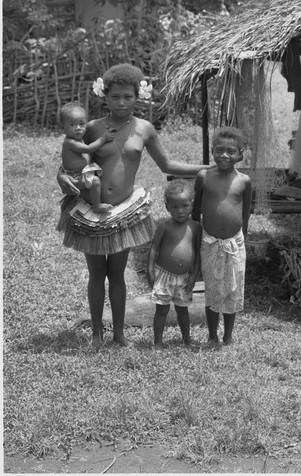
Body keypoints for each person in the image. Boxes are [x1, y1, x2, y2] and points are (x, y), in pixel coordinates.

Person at [57, 63, 214, 350]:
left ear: (137, 96)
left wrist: (209, 167)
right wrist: (61, 176)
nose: (121, 102)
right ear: (104, 96)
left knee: (116, 273)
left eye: (128, 97)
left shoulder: (144, 129)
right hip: (91, 210)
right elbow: (69, 160)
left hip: (122, 213)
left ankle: (118, 334)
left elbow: (167, 164)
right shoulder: (93, 128)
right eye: (115, 96)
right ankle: (96, 334)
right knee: (96, 274)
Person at [192, 126, 252, 345]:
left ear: (240, 155)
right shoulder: (204, 176)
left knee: (232, 290)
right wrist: (193, 238)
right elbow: (195, 210)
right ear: (212, 151)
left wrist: (242, 236)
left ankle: (228, 335)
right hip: (209, 241)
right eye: (219, 150)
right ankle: (211, 335)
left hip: (235, 243)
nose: (224, 155)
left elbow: (245, 212)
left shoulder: (244, 181)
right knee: (213, 289)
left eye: (231, 151)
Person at [147, 179, 202, 347]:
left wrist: (194, 275)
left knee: (183, 310)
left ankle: (187, 338)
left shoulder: (196, 227)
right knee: (161, 310)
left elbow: (198, 252)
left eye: (185, 206)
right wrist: (150, 271)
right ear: (167, 207)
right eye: (175, 207)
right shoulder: (164, 227)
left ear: (192, 205)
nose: (180, 211)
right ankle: (158, 341)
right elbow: (154, 249)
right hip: (164, 276)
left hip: (184, 278)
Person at [60, 102, 113, 214]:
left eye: (82, 124)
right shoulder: (70, 142)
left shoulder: (79, 138)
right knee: (95, 181)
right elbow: (88, 149)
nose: (78, 128)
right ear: (63, 127)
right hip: (74, 177)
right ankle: (97, 206)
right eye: (72, 125)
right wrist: (104, 138)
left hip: (80, 174)